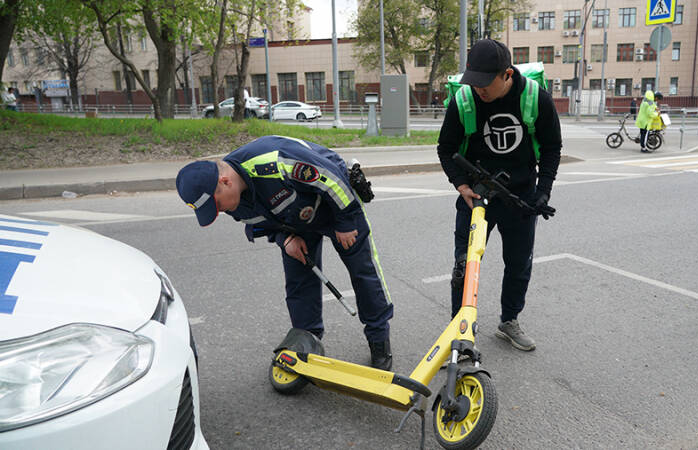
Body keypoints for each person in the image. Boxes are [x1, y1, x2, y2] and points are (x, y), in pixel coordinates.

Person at [175, 135, 394, 370]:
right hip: (294, 222)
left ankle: (378, 339)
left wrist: (346, 221)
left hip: (336, 205)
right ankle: (306, 341)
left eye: (216, 205)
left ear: (226, 181)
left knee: (363, 271)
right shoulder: (233, 198)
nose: (218, 213)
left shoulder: (274, 161)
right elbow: (257, 222)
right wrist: (284, 238)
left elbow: (331, 179)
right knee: (299, 283)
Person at [437, 39, 562, 352]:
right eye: (474, 81)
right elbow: (446, 148)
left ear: (507, 74)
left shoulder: (536, 98)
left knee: (519, 263)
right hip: (475, 197)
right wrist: (460, 184)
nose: (479, 89)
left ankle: (509, 320)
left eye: (485, 83)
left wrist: (543, 190)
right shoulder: (465, 99)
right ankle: (459, 330)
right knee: (464, 265)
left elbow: (551, 147)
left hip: (520, 195)